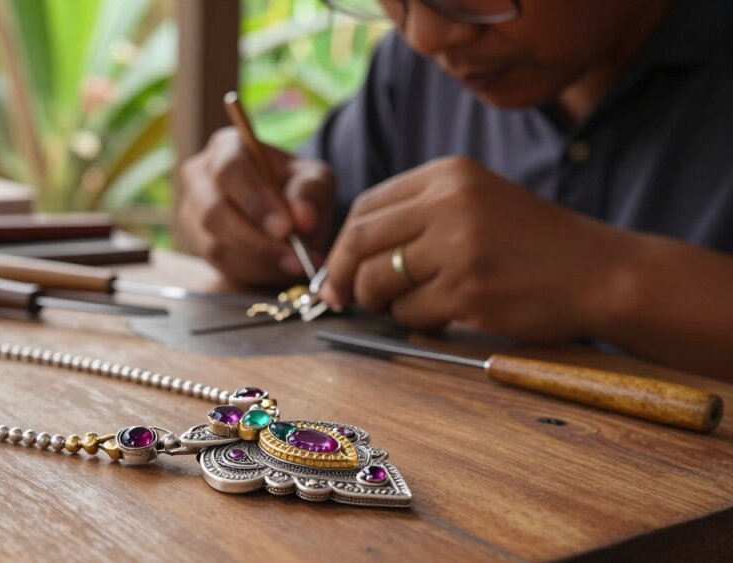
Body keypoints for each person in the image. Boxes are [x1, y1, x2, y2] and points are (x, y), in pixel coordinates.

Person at [177, 0, 733, 378]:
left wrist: (604, 280)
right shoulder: (416, 74)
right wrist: (239, 215)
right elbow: (300, 224)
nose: (425, 35)